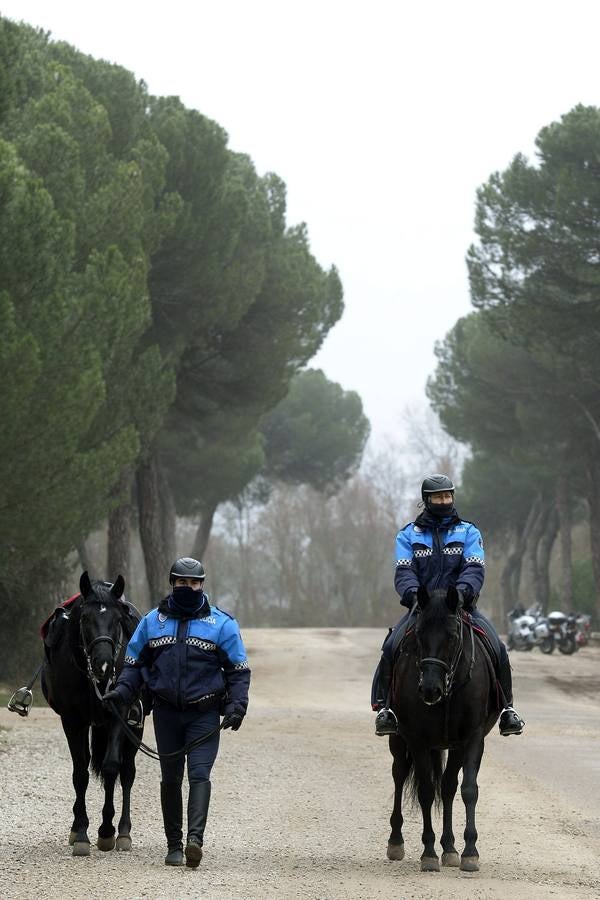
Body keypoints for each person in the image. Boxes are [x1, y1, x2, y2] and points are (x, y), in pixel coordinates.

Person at [103, 556, 251, 868]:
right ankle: (174, 845)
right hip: (167, 714)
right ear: (172, 584)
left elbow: (238, 671)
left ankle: (195, 840)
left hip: (204, 715)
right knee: (170, 778)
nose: (188, 587)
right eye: (181, 582)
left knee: (199, 775)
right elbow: (134, 666)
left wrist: (238, 705)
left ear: (202, 584)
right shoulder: (151, 622)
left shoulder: (223, 624)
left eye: (193, 582)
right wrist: (120, 693)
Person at [372, 474, 524, 738]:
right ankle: (386, 709)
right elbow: (404, 572)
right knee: (390, 646)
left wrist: (463, 594)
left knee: (498, 647)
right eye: (438, 497)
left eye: (447, 496)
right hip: (423, 609)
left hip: (460, 607)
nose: (444, 501)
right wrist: (414, 596)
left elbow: (474, 568)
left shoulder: (468, 531)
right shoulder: (408, 534)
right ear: (426, 500)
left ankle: (506, 709)